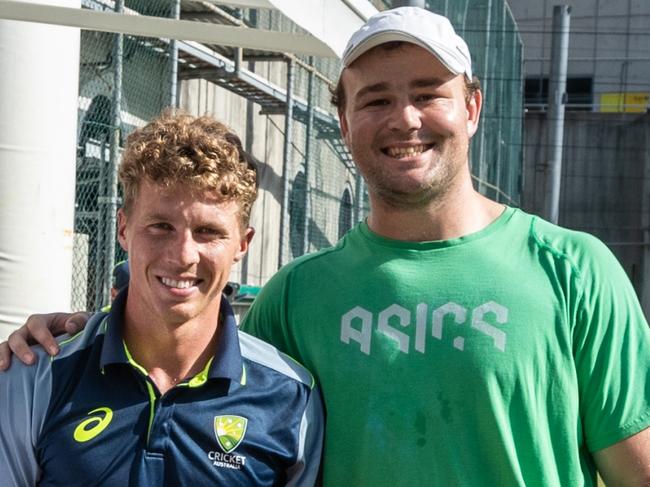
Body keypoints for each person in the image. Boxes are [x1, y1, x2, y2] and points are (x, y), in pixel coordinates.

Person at [1, 6, 649, 486]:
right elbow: (196, 369)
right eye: (376, 98)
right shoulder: (297, 296)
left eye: (429, 93)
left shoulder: (574, 270)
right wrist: (68, 333)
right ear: (343, 119)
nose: (405, 118)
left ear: (473, 106)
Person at [0, 112, 323, 486]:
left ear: (242, 244)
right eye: (160, 226)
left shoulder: (291, 397)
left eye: (208, 232)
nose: (183, 254)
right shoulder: (34, 376)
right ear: (124, 229)